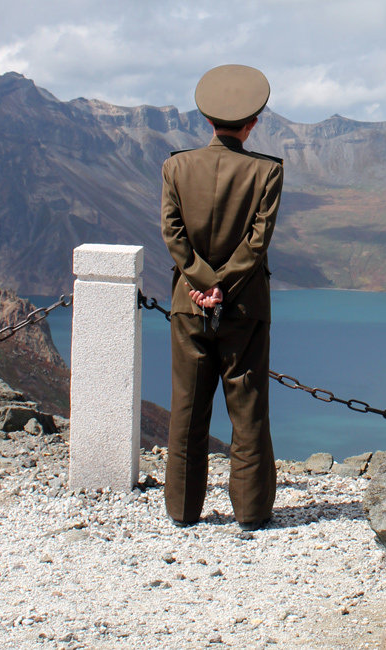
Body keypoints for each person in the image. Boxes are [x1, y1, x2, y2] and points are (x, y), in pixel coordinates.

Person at [160, 64, 283, 531]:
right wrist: (224, 285)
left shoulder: (176, 166)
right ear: (252, 122)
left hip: (188, 305)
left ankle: (183, 510)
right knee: (247, 408)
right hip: (245, 307)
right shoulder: (266, 172)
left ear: (207, 121)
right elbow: (257, 241)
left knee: (188, 407)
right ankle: (252, 514)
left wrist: (199, 281)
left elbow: (173, 233)